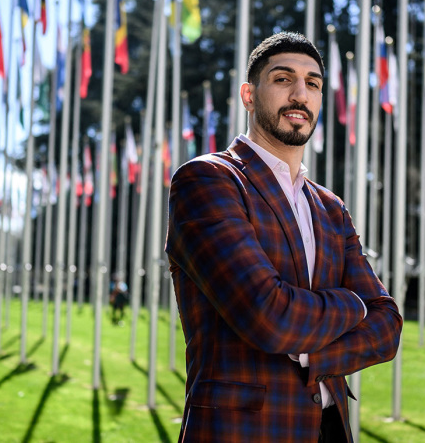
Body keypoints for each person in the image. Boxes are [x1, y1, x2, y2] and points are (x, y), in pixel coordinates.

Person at [165, 32, 403, 443]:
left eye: (312, 84)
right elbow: (269, 316)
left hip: (330, 430)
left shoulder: (331, 207)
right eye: (282, 79)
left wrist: (313, 352)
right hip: (241, 431)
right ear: (249, 95)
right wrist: (353, 305)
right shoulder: (208, 180)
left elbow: (388, 327)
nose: (300, 94)